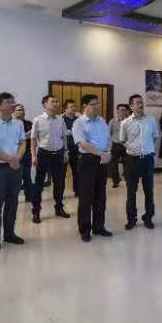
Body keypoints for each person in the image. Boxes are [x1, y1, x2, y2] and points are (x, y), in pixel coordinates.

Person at [0, 92, 26, 251]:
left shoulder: (18, 124)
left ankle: (9, 234)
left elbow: (23, 142)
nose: (13, 104)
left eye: (13, 101)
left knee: (13, 202)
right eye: (8, 102)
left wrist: (18, 158)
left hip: (15, 168)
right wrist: (10, 159)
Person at [72, 94, 111, 242]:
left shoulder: (102, 121)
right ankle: (85, 229)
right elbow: (82, 143)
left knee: (100, 196)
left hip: (102, 160)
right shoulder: (79, 123)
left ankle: (99, 227)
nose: (97, 106)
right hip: (87, 161)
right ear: (85, 106)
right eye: (93, 104)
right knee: (86, 197)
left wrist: (108, 152)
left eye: (98, 103)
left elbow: (108, 139)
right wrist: (101, 153)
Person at [121, 94, 159, 230]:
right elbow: (123, 140)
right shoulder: (125, 123)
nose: (140, 105)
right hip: (132, 160)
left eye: (141, 102)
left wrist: (147, 149)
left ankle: (148, 217)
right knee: (131, 191)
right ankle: (131, 219)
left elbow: (155, 137)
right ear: (131, 106)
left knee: (149, 190)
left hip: (148, 159)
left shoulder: (151, 120)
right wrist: (133, 148)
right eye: (137, 103)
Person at [30, 95, 69, 223]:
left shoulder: (60, 120)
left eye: (57, 102)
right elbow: (33, 139)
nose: (56, 104)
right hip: (43, 154)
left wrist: (66, 151)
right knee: (39, 184)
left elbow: (64, 136)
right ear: (45, 105)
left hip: (58, 154)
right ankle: (36, 211)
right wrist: (33, 156)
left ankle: (59, 208)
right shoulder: (38, 120)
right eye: (53, 102)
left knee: (59, 183)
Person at [13, 104, 35, 203]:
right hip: (15, 154)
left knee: (27, 175)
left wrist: (26, 136)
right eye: (18, 110)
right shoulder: (11, 124)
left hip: (27, 153)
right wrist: (26, 135)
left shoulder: (29, 123)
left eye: (22, 110)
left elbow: (34, 136)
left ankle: (29, 197)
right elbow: (15, 139)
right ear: (14, 112)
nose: (21, 112)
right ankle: (13, 197)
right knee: (15, 177)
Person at [108, 104, 129, 188]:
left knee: (127, 164)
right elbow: (108, 134)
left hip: (126, 145)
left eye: (124, 110)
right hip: (115, 145)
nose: (123, 112)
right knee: (114, 164)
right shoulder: (112, 121)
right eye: (121, 110)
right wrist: (109, 147)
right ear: (117, 111)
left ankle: (128, 180)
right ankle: (116, 181)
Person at [62, 99, 80, 196]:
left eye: (74, 106)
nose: (73, 108)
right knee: (61, 173)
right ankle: (60, 194)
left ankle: (77, 191)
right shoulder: (60, 119)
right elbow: (62, 133)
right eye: (71, 107)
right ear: (65, 109)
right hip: (64, 150)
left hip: (77, 149)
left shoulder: (79, 119)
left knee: (77, 171)